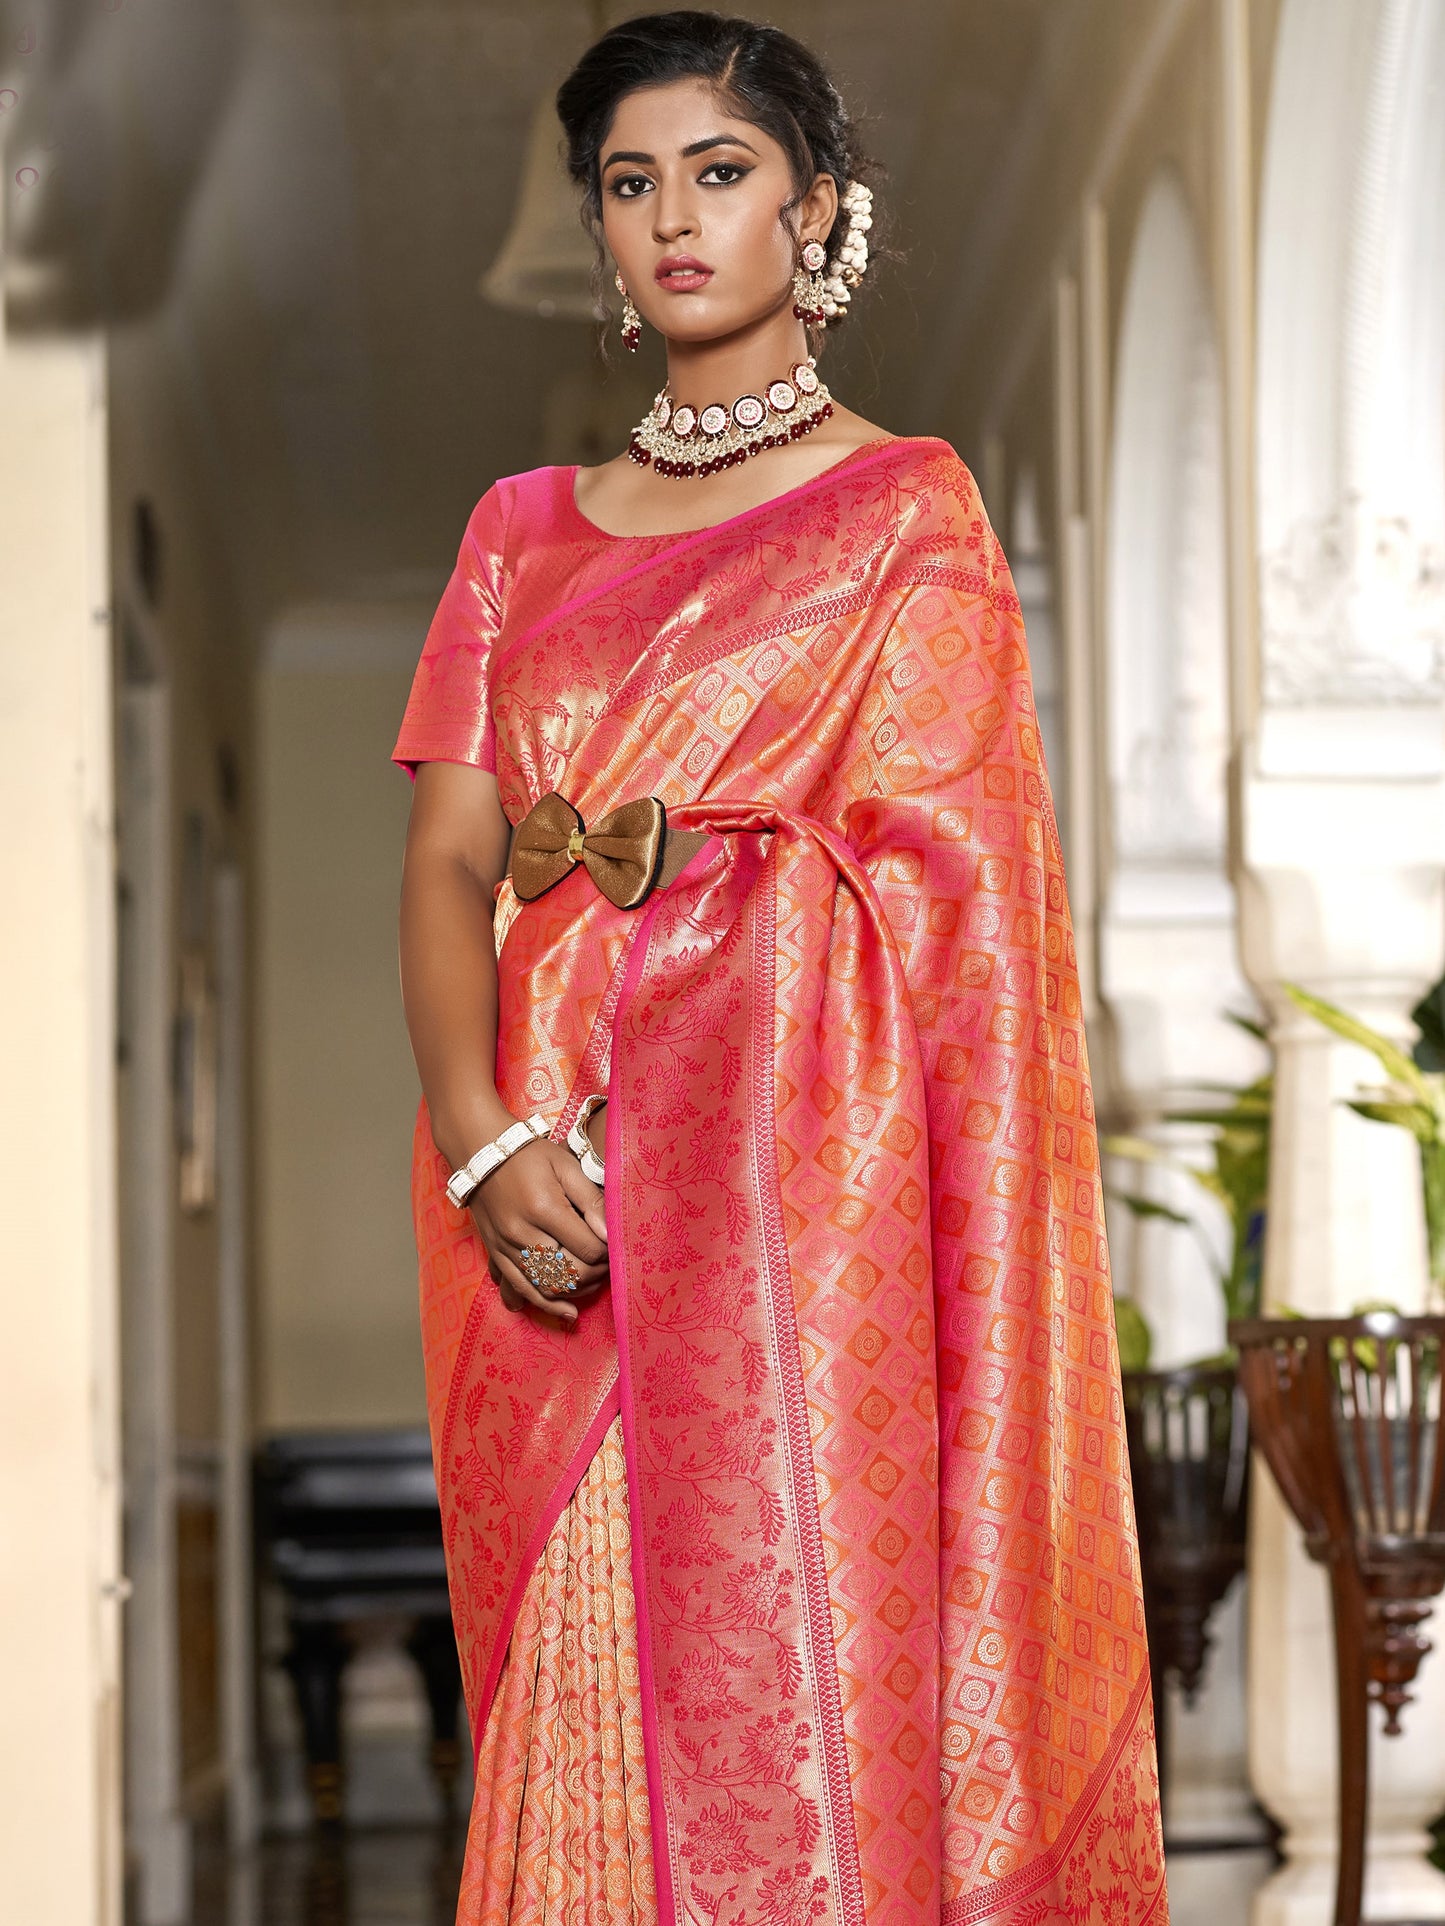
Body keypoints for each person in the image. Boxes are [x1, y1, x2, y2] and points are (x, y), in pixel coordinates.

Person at [393, 13, 1167, 1924]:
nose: (673, 219)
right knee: (575, 1677)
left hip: (797, 1212)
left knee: (796, 1684)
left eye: (719, 173)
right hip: (542, 1177)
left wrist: (729, 974)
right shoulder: (517, 533)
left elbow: (964, 919)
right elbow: (451, 859)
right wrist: (484, 1137)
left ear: (814, 211)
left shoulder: (906, 511)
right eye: (629, 183)